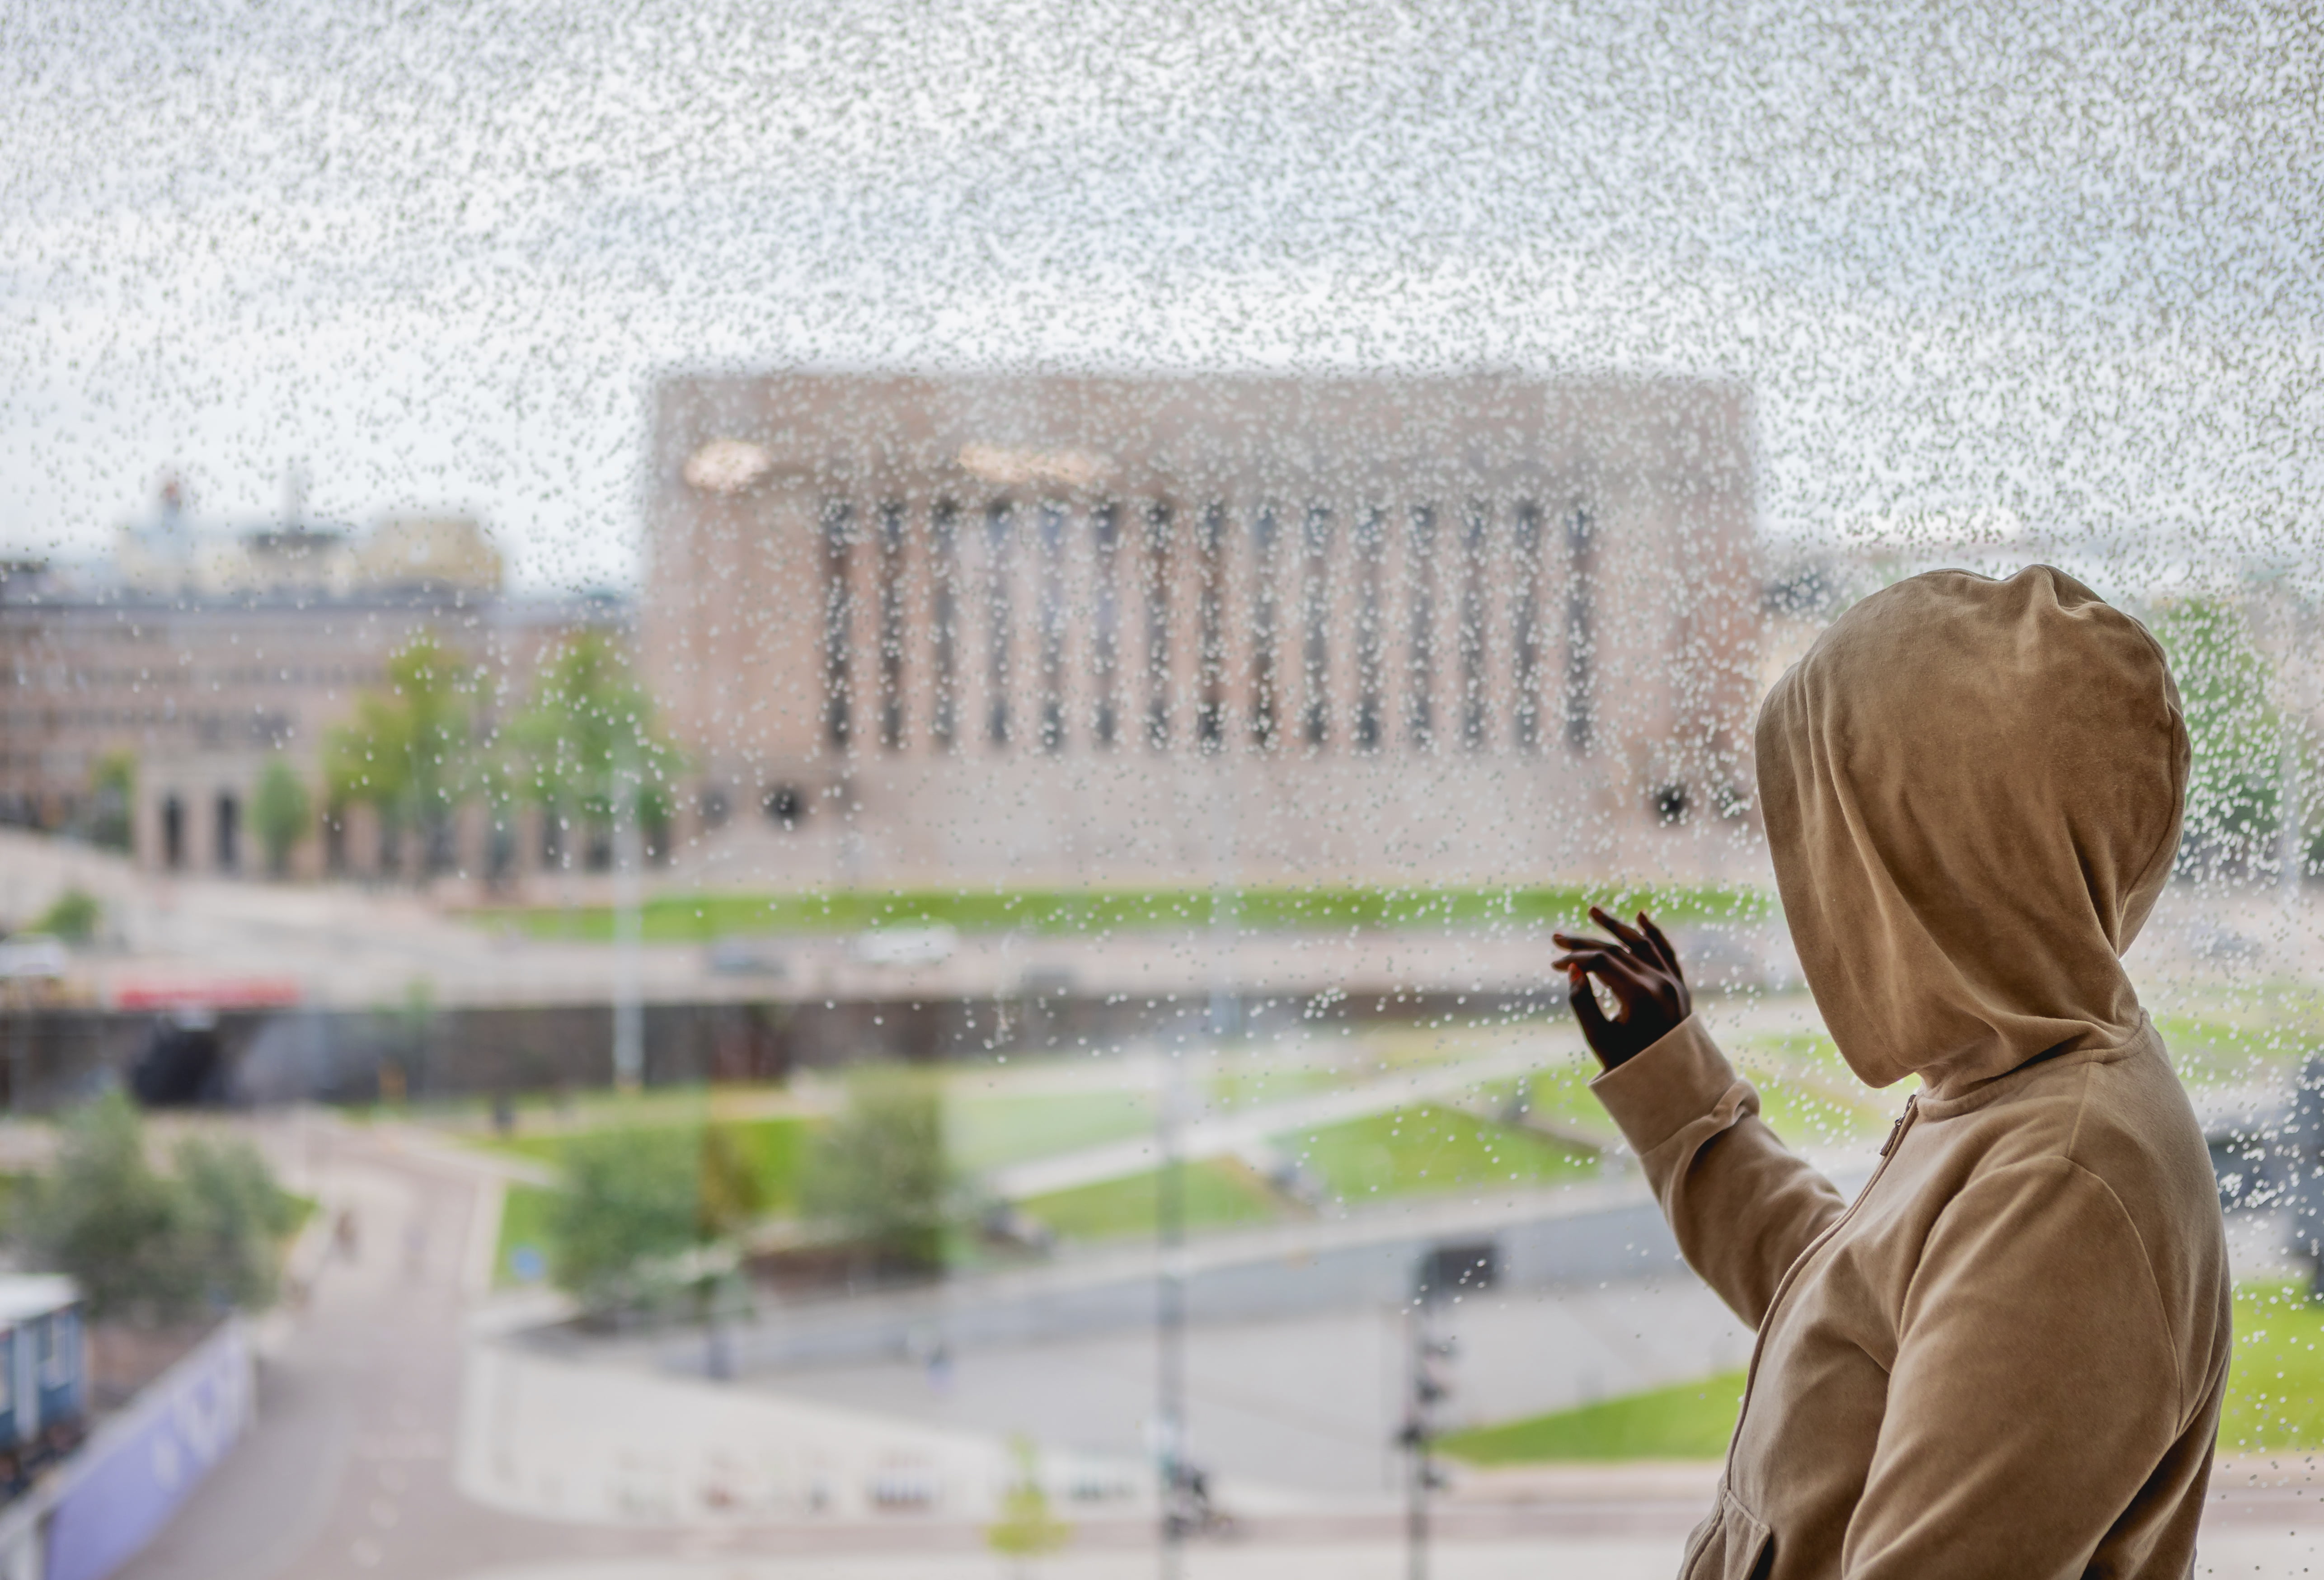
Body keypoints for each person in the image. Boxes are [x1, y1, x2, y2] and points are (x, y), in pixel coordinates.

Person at [1554, 567, 2228, 1579]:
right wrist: (1675, 1085)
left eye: (1831, 824)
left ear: (1935, 850)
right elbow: (1859, 1309)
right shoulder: (2020, 1087)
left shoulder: (2064, 1183)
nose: (1807, 881)